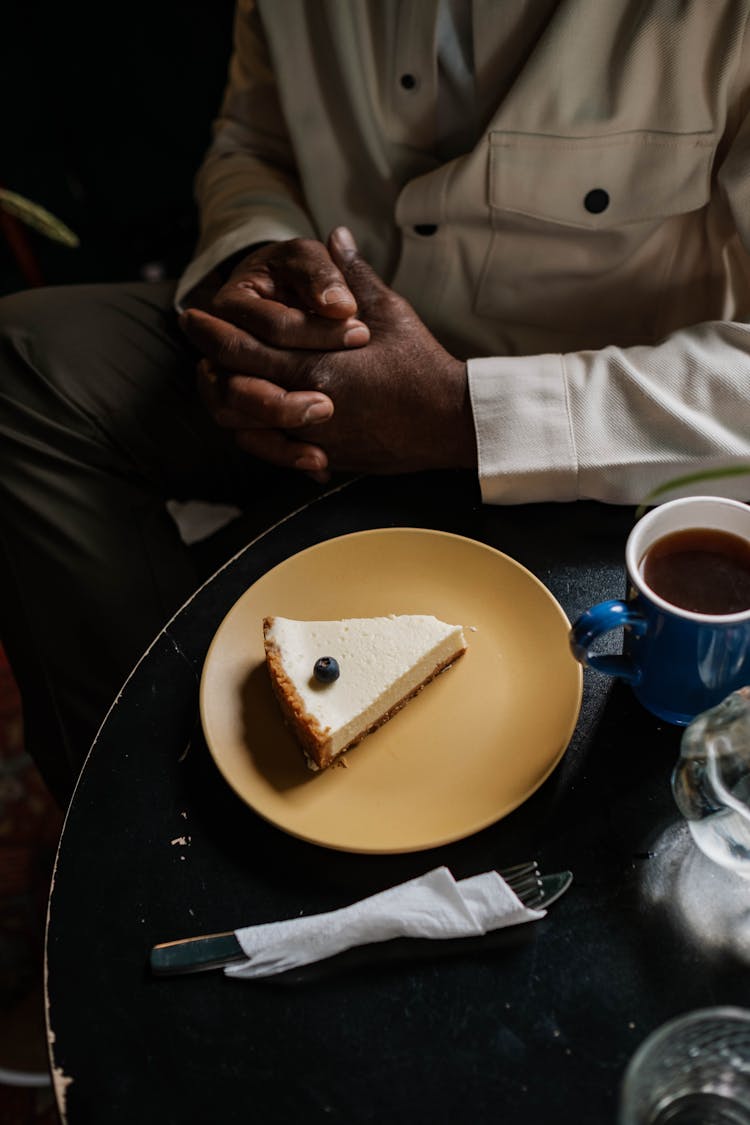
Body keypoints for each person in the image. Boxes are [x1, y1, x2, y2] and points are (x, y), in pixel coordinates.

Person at [2, 0, 750, 808]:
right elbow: (252, 143)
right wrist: (253, 263)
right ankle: (139, 813)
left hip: (591, 434)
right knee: (26, 364)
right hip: (318, 362)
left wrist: (463, 414)